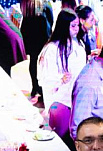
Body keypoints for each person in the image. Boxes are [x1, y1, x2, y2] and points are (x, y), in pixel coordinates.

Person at [38, 9, 87, 139]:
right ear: (64, 26)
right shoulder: (52, 48)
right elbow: (45, 78)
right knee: (60, 136)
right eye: (73, 26)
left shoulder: (79, 44)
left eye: (78, 25)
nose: (77, 29)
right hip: (60, 99)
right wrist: (60, 79)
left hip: (76, 95)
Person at [20, 0, 54, 103]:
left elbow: (20, 15)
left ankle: (34, 87)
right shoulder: (44, 3)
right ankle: (44, 89)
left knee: (33, 60)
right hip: (42, 33)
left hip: (29, 33)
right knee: (45, 62)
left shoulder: (26, 3)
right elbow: (51, 19)